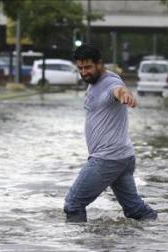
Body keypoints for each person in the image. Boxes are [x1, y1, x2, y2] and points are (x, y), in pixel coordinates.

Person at [64, 43, 157, 222]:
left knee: (73, 204)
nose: (84, 72)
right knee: (135, 209)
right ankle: (162, 232)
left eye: (88, 67)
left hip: (107, 158)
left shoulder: (110, 82)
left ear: (100, 64)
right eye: (80, 68)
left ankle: (78, 249)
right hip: (122, 157)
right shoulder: (95, 81)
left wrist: (125, 95)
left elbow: (118, 90)